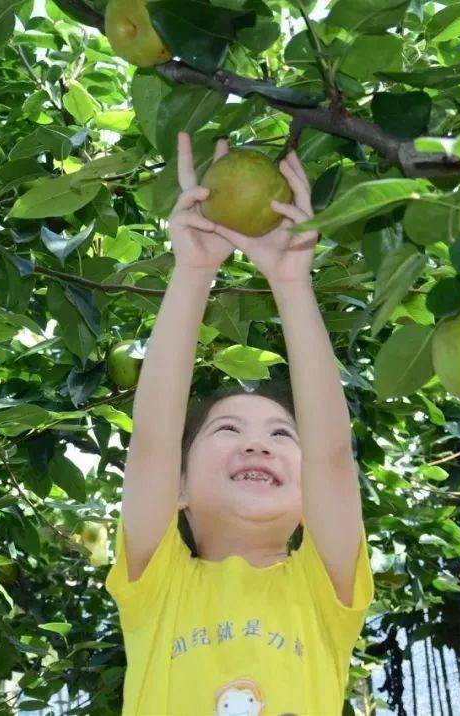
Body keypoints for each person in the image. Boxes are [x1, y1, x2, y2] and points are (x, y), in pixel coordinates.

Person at [104, 131, 374, 715]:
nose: (259, 444)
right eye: (227, 430)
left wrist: (292, 283)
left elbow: (331, 456)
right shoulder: (157, 585)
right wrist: (192, 272)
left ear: (310, 501)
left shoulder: (324, 590)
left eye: (282, 436)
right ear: (177, 488)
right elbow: (151, 442)